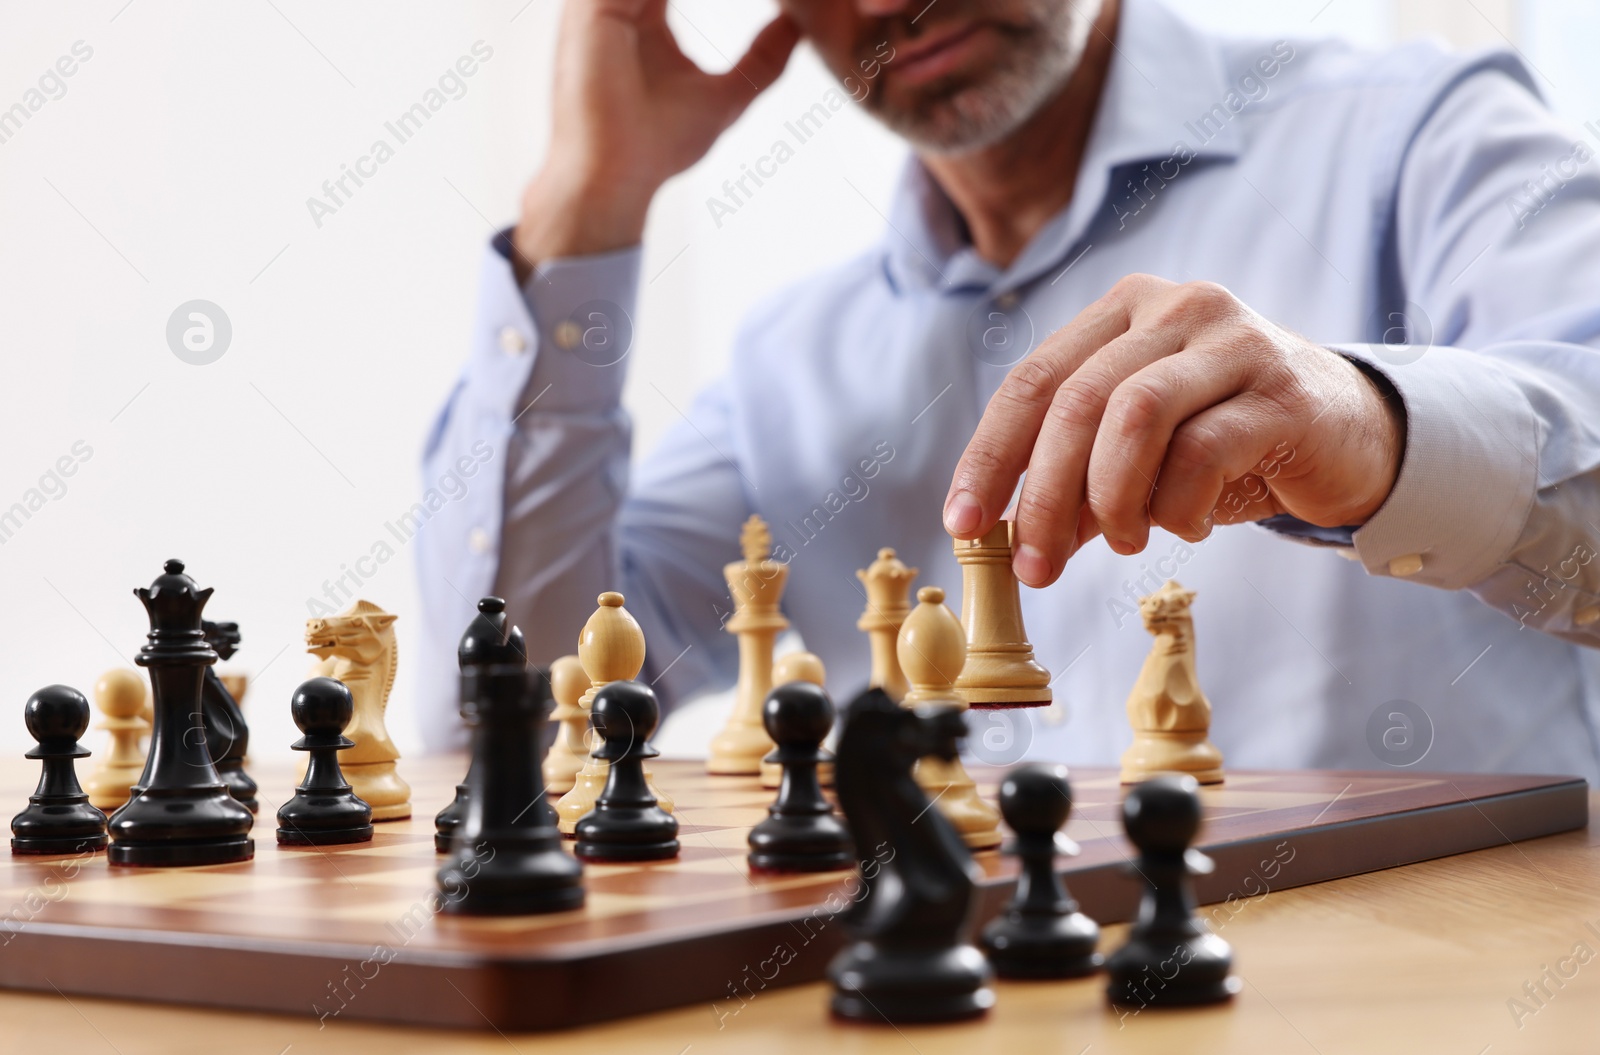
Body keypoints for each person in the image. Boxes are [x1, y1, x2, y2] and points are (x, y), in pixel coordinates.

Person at [417, 0, 1600, 780]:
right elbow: (496, 721)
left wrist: (1371, 427)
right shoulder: (790, 358)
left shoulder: (1418, 134)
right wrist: (589, 199)